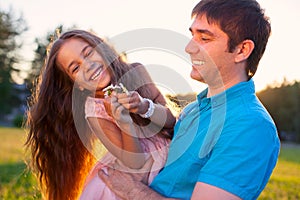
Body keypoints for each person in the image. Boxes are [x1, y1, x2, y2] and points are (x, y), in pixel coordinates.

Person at [98, 0, 281, 199]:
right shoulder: (194, 109)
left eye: (204, 38)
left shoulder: (250, 125)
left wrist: (131, 190)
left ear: (241, 50)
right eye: (192, 35)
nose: (189, 47)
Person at [25, 29, 176, 200]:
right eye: (76, 68)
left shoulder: (137, 72)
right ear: (77, 85)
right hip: (126, 180)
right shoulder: (94, 111)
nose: (88, 65)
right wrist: (124, 122)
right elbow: (135, 163)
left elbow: (170, 123)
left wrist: (144, 107)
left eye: (89, 53)